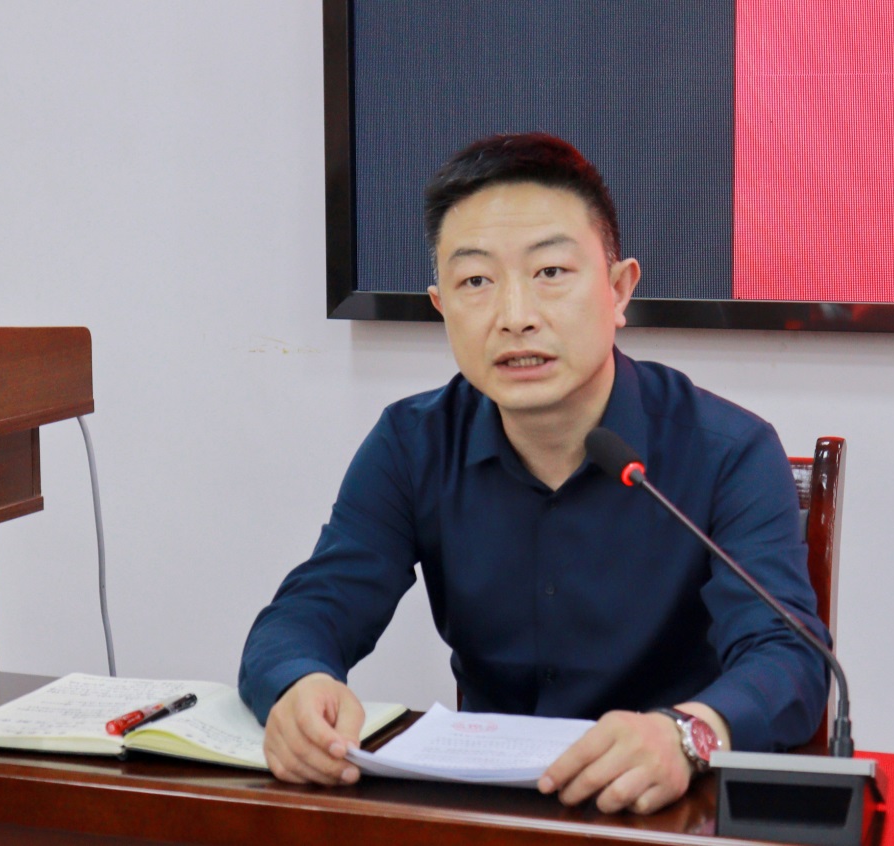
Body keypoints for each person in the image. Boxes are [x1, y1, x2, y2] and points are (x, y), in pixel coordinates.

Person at [239, 132, 828, 814]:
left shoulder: (727, 451)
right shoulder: (411, 444)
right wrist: (298, 686)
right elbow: (308, 612)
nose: (515, 318)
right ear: (441, 307)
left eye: (550, 272)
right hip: (490, 813)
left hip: (667, 807)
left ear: (618, 289)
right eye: (475, 282)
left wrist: (686, 733)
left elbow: (787, 657)